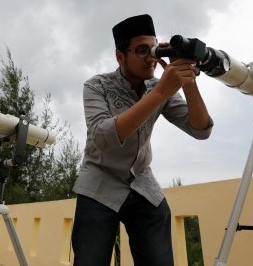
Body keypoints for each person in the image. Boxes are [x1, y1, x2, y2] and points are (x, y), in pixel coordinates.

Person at [71, 14, 213, 266]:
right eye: (141, 50)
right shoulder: (97, 85)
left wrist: (186, 80)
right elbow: (103, 137)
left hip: (142, 183)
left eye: (154, 48)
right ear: (120, 56)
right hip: (99, 182)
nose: (150, 57)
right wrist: (160, 92)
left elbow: (200, 130)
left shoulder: (160, 85)